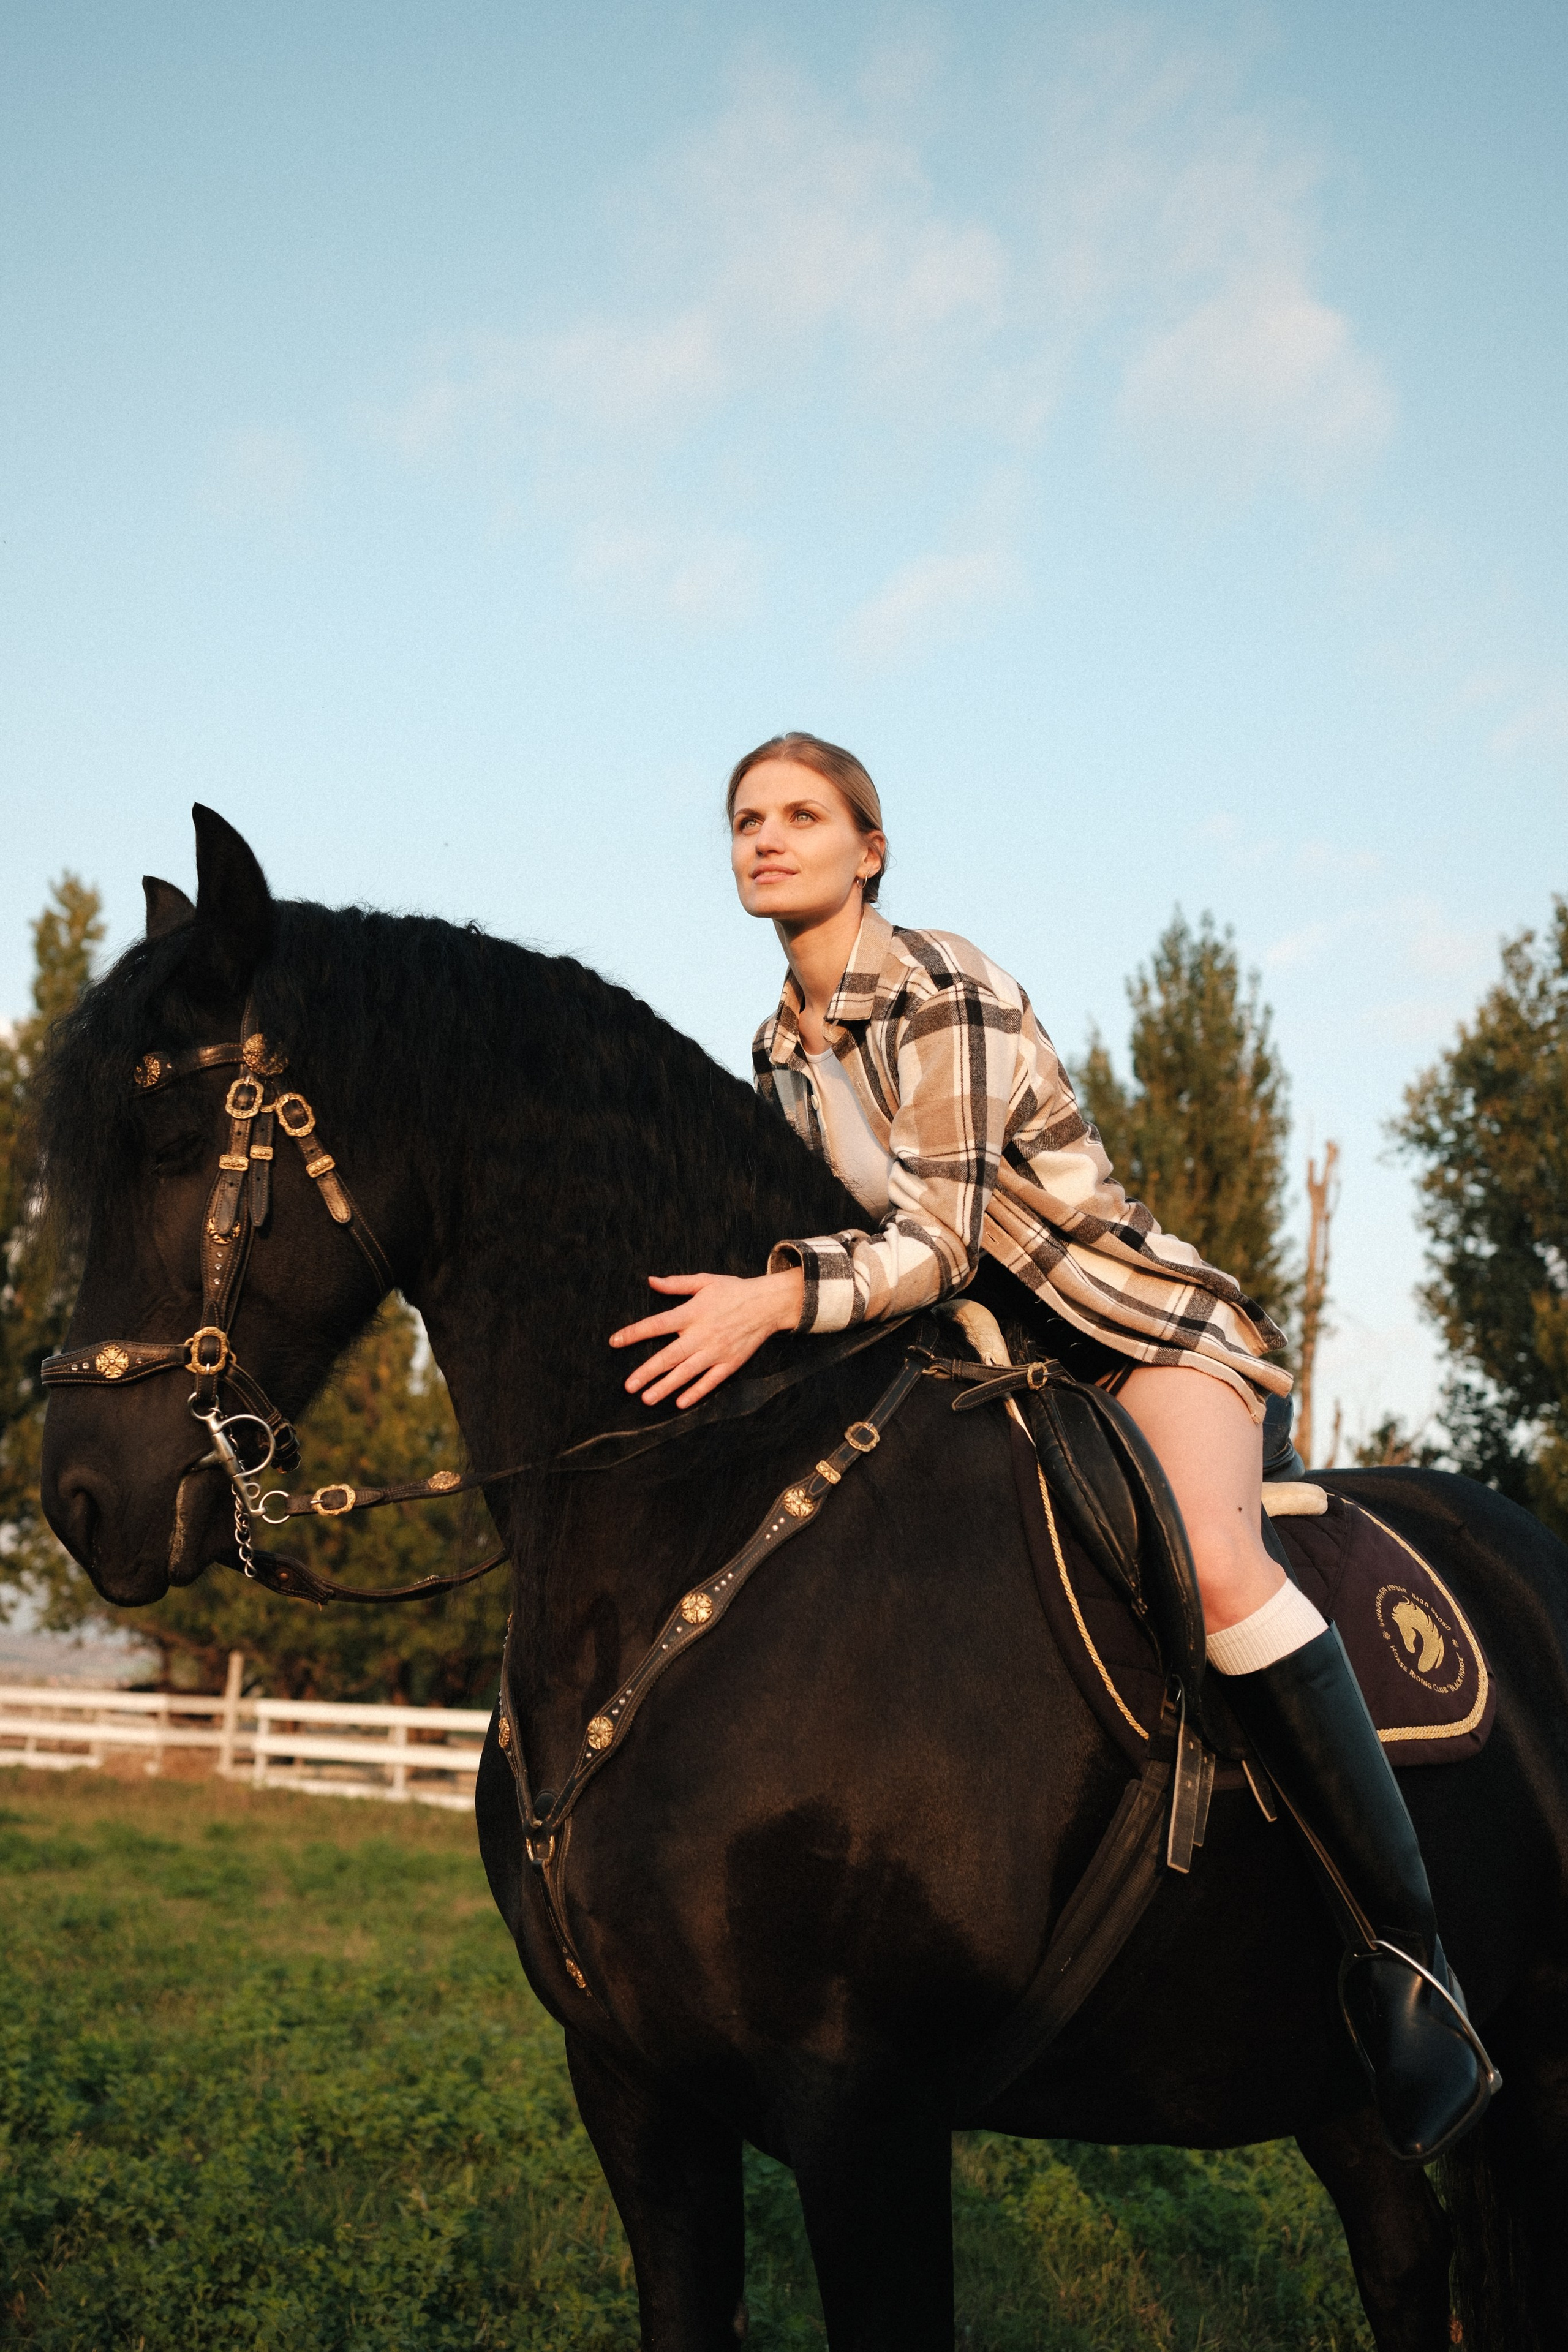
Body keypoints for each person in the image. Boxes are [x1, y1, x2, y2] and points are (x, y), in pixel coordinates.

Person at [609, 729, 1495, 2163]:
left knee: (1212, 1568)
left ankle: (1407, 1964)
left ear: (867, 849)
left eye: (799, 816)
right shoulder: (772, 1050)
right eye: (742, 821)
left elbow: (941, 1238)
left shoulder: (943, 983)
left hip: (1128, 1338)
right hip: (976, 1378)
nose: (764, 840)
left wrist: (776, 1294)